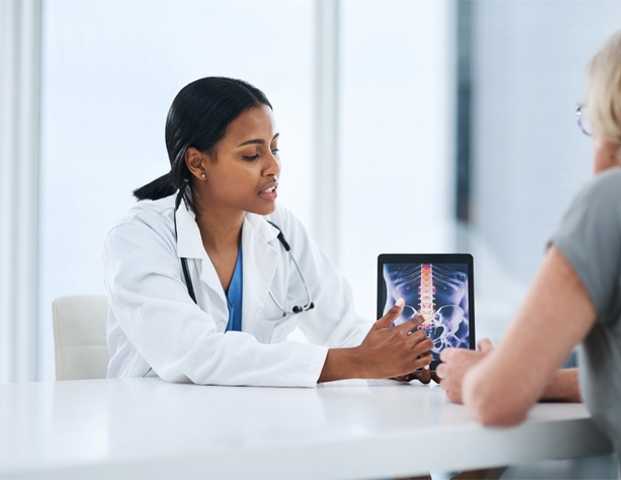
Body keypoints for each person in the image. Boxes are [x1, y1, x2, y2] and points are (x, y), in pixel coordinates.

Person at [104, 77, 433, 387]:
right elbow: (196, 354)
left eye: (274, 149)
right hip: (157, 428)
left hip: (254, 427)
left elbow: (342, 327)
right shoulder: (139, 237)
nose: (273, 168)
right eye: (251, 154)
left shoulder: (279, 229)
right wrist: (358, 362)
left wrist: (397, 356)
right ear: (197, 163)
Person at [436, 23, 621, 479]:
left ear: (613, 111)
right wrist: (539, 379)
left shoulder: (614, 202)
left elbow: (497, 401)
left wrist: (470, 374)